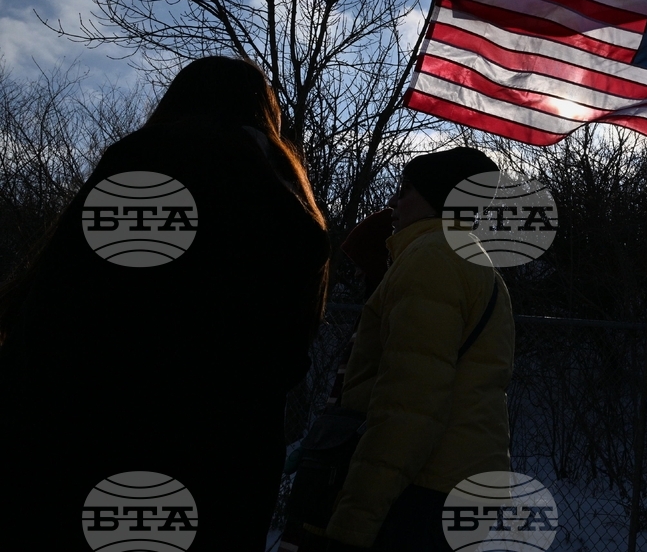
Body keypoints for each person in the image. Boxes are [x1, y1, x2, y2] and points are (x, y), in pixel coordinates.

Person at [0, 57, 330, 550]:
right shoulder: (289, 197)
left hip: (99, 435)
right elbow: (290, 352)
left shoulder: (149, 157)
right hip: (229, 455)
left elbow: (61, 304)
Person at [313, 147, 516, 551]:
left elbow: (409, 405)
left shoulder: (431, 260)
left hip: (422, 488)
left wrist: (352, 525)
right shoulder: (472, 261)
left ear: (437, 200)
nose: (393, 202)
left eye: (404, 191)